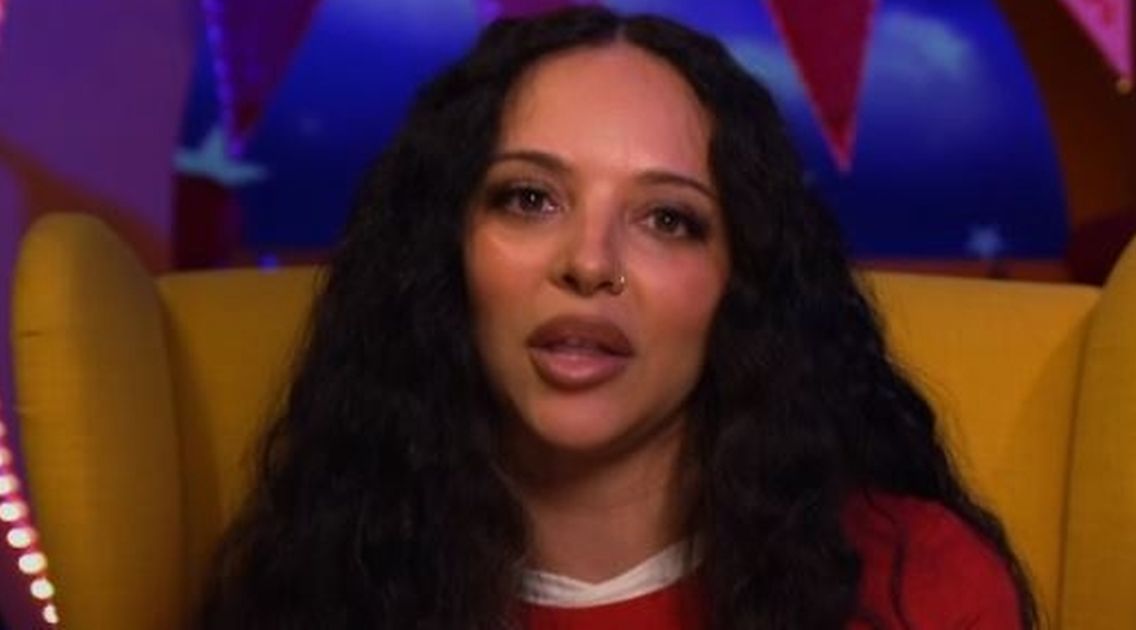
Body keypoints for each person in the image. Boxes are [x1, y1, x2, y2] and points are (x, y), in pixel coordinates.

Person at [199, 7, 1037, 629]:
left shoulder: (920, 589)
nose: (590, 262)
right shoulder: (312, 589)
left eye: (669, 218)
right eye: (529, 199)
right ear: (442, 252)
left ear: (741, 283)